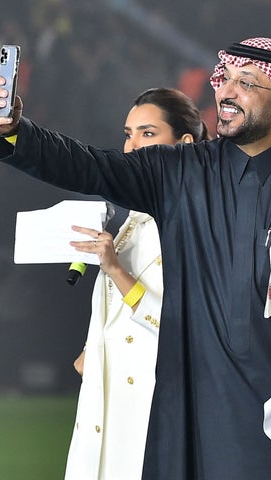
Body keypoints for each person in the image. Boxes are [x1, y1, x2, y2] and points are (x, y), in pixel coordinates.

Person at [0, 37, 271, 480]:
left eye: (246, 83)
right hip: (188, 429)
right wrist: (15, 131)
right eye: (224, 80)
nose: (225, 91)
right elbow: (88, 165)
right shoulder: (179, 172)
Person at [65, 87, 209, 479]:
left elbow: (181, 324)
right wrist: (93, 350)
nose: (132, 146)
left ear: (184, 144)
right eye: (128, 134)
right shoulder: (132, 217)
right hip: (106, 399)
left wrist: (115, 269)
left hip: (149, 403)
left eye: (148, 133)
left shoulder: (195, 222)